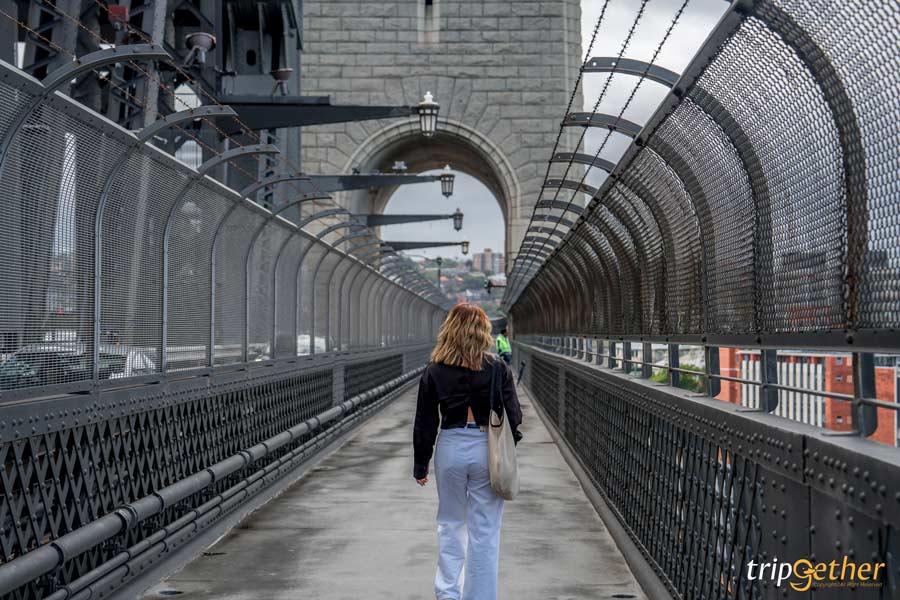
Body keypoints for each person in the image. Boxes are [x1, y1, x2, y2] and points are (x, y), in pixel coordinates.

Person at [413, 303, 523, 600]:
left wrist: (421, 465)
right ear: (483, 331)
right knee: (485, 531)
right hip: (486, 448)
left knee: (450, 524)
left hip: (449, 445)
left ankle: (448, 594)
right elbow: (514, 417)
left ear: (450, 329)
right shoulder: (497, 367)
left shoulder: (435, 370)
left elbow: (425, 421)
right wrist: (507, 449)